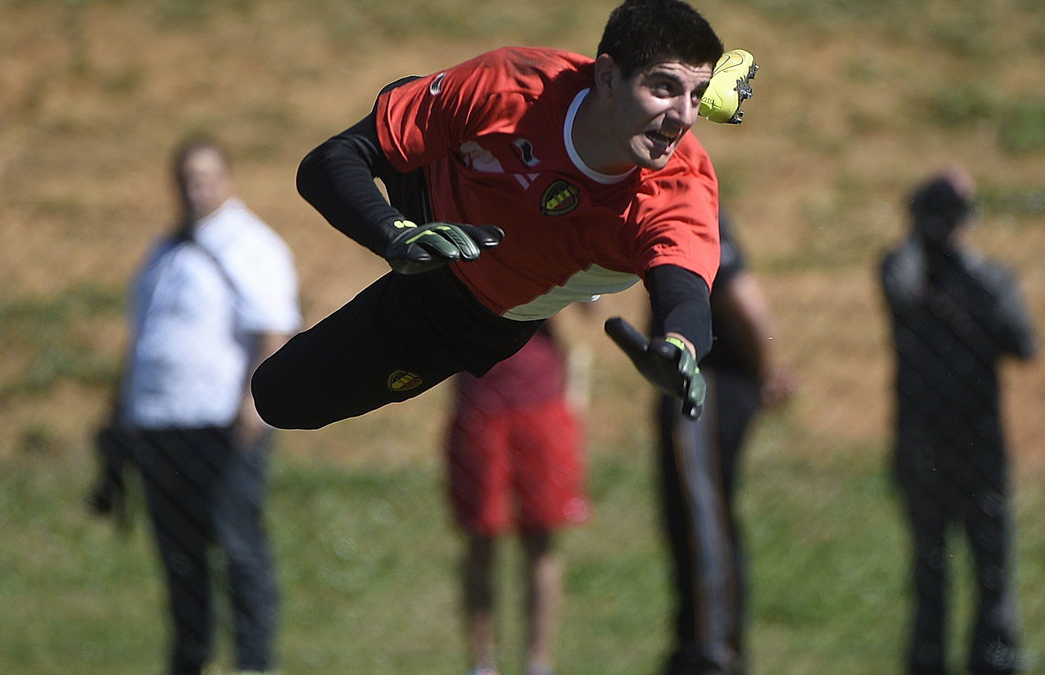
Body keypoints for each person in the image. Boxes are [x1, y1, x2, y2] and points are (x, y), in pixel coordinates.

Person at [251, 0, 761, 432]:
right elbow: (328, 163)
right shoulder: (513, 83)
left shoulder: (680, 189)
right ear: (606, 76)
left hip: (468, 310)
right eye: (665, 87)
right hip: (429, 199)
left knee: (277, 397)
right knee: (410, 94)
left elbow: (685, 292)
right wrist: (395, 234)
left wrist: (680, 349)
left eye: (697, 95)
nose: (684, 118)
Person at [118, 137, 301, 675]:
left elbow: (275, 330)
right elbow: (142, 336)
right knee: (179, 556)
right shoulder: (165, 250)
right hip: (159, 423)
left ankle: (253, 662)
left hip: (223, 424)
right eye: (185, 177)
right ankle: (189, 660)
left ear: (228, 179)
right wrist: (118, 413)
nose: (195, 187)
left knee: (239, 549)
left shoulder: (249, 244)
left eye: (205, 176)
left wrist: (253, 403)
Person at [879, 167, 1037, 675]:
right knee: (931, 567)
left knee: (993, 570)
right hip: (922, 444)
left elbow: (1024, 343)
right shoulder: (904, 269)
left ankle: (995, 663)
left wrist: (965, 262)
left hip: (980, 443)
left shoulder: (988, 278)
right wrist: (918, 234)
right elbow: (898, 287)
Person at [651, 207, 795, 675]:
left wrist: (768, 369)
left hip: (707, 385)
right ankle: (697, 638)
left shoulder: (690, 205)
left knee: (703, 513)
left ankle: (713, 649)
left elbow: (743, 298)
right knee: (688, 515)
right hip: (694, 385)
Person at [444, 321, 591, 675]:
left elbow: (587, 319)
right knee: (481, 538)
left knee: (540, 539)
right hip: (480, 405)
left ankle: (539, 663)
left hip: (542, 405)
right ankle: (482, 663)